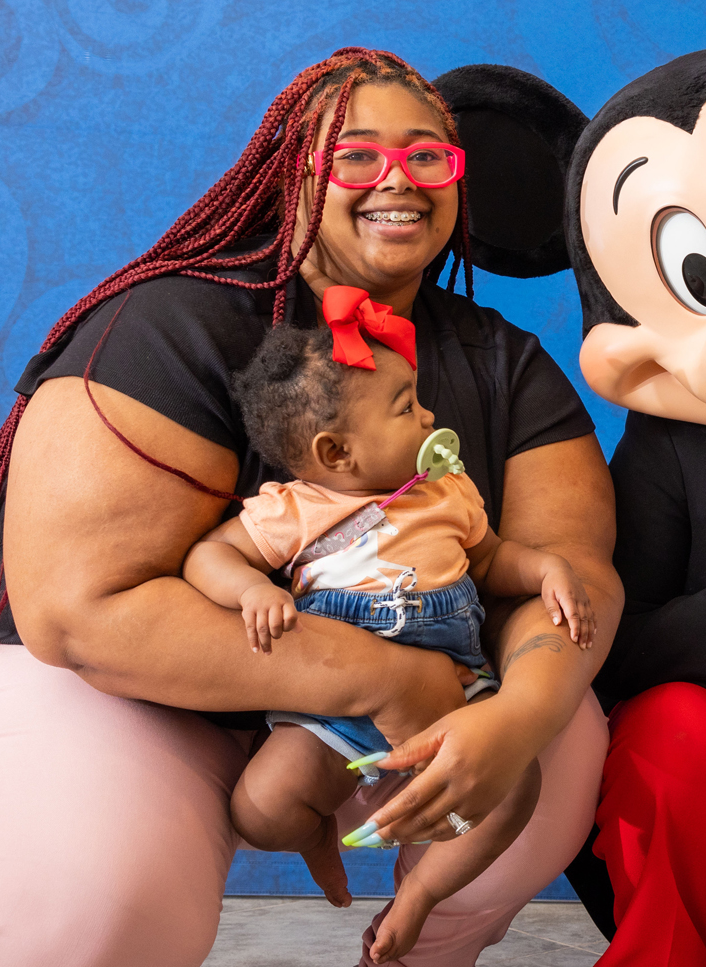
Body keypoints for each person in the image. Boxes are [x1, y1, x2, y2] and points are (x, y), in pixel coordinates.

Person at [0, 48, 619, 967]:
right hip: (90, 688)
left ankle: (418, 949)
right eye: (357, 155)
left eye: (427, 156)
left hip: (360, 713)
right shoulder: (172, 325)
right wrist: (389, 682)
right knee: (102, 900)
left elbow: (573, 573)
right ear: (292, 176)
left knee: (560, 744)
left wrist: (515, 722)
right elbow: (80, 613)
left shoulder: (502, 361)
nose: (397, 178)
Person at [182, 318, 594, 964]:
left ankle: (421, 895)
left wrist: (545, 568)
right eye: (407, 408)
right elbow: (209, 556)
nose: (429, 416)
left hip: (453, 690)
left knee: (517, 787)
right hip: (334, 707)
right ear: (336, 453)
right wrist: (252, 590)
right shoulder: (293, 510)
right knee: (260, 810)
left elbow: (490, 559)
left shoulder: (446, 492)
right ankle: (315, 836)